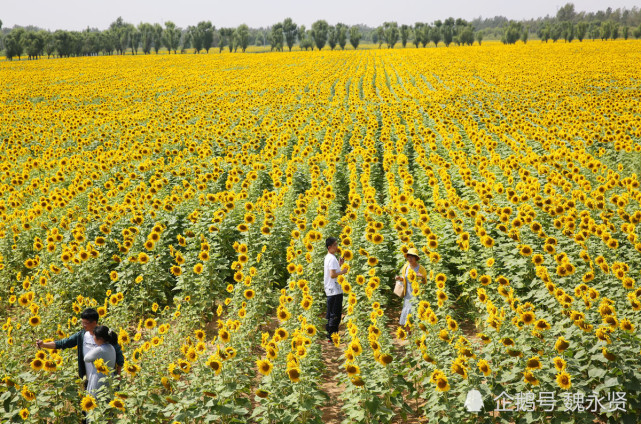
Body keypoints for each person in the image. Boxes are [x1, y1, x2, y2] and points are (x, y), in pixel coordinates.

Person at [36, 308, 124, 380]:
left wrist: (118, 375)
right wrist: (43, 344)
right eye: (82, 322)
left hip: (106, 378)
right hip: (88, 377)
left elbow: (119, 356)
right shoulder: (81, 335)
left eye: (85, 323)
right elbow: (63, 343)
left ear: (94, 322)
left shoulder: (104, 335)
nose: (83, 325)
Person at [395, 248, 428, 326]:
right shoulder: (406, 267)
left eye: (412, 257)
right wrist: (400, 278)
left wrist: (422, 277)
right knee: (408, 312)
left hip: (417, 294)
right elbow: (404, 279)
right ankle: (408, 333)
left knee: (416, 311)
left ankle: (415, 333)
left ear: (416, 258)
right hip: (408, 293)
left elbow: (425, 282)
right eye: (408, 257)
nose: (409, 259)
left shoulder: (421, 269)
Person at [324, 237, 348, 342]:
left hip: (331, 289)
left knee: (330, 313)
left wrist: (339, 265)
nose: (337, 246)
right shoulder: (331, 258)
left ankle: (329, 336)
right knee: (335, 315)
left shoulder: (329, 257)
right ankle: (332, 338)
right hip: (334, 290)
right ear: (329, 247)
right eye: (335, 245)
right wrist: (342, 271)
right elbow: (333, 274)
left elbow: (333, 271)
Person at [84, 325, 118, 397]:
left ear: (100, 338)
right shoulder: (111, 347)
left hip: (99, 378)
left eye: (94, 336)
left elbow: (86, 358)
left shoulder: (99, 350)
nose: (93, 338)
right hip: (109, 377)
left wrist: (95, 348)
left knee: (97, 398)